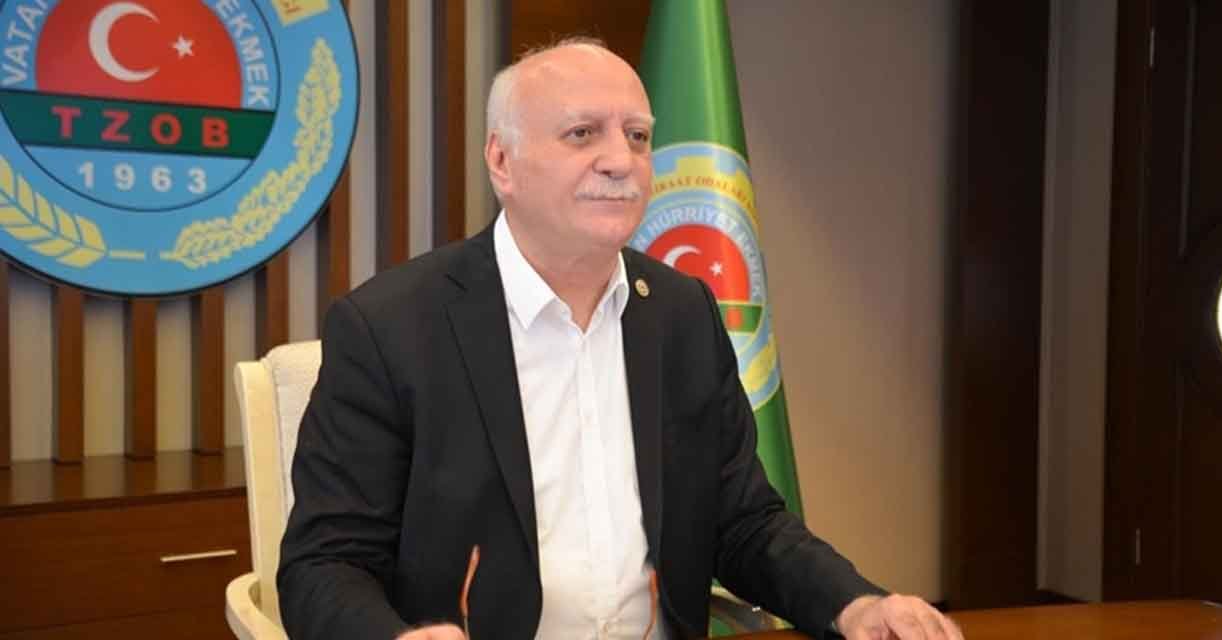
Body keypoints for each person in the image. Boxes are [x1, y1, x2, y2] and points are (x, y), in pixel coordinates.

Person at [278, 38, 964, 640]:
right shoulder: (390, 328)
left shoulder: (681, 313)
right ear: (502, 161)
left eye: (637, 136)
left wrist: (855, 605)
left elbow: (742, 521)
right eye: (583, 133)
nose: (620, 160)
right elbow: (324, 564)